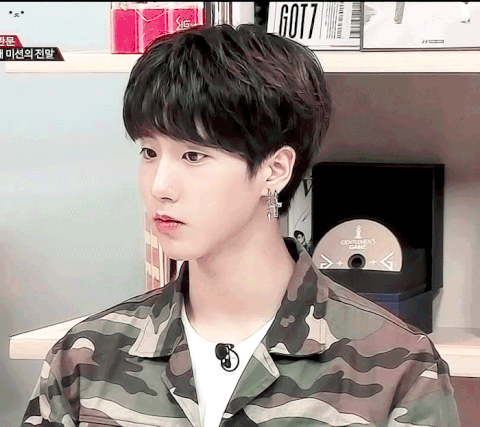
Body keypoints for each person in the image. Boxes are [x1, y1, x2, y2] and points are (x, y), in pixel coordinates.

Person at [21, 23, 460, 427]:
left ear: (274, 169)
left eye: (193, 156)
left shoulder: (398, 366)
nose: (160, 186)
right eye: (149, 152)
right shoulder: (86, 358)